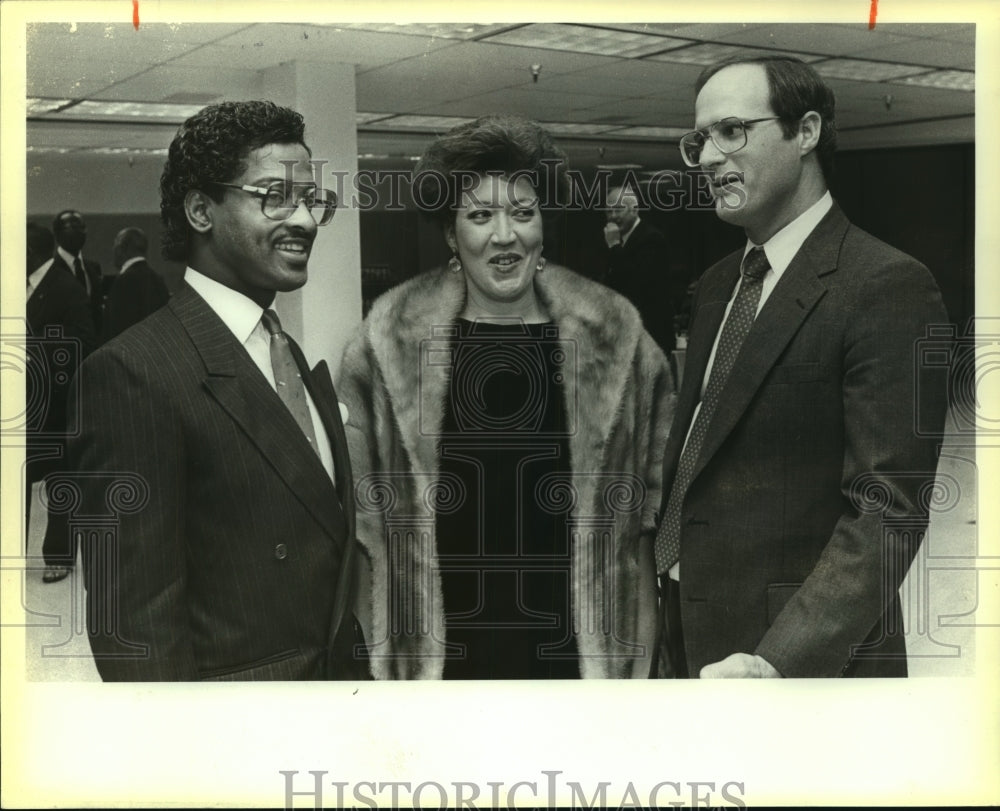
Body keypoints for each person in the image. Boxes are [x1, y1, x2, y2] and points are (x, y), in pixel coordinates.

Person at [338, 115, 675, 679]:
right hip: (441, 668)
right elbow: (363, 544)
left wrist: (635, 683)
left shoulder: (620, 347)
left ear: (543, 226)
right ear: (451, 233)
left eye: (523, 213)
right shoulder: (382, 350)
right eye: (479, 216)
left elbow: (640, 536)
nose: (504, 234)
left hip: (576, 663)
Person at [654, 56, 950, 678]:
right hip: (686, 630)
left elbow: (889, 509)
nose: (708, 157)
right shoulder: (716, 287)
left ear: (807, 131)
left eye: (731, 130)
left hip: (795, 660)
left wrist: (776, 662)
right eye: (699, 138)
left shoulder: (885, 284)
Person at [67, 100, 363, 681]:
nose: (303, 220)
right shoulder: (133, 373)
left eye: (311, 200)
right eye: (275, 196)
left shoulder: (283, 350)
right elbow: (136, 635)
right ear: (201, 210)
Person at [25, 221, 96, 582]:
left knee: (60, 483)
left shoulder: (65, 287)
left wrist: (34, 354)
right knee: (15, 482)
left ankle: (60, 557)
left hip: (56, 405)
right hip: (23, 407)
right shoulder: (20, 284)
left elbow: (84, 341)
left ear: (31, 252)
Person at [602, 185, 679, 355]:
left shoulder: (651, 239)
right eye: (608, 211)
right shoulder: (621, 242)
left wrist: (614, 246)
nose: (613, 216)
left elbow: (637, 286)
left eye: (618, 210)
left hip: (651, 336)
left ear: (634, 210)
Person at [102, 226, 170, 340]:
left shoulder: (123, 282)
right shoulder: (158, 281)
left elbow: (115, 330)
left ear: (121, 248)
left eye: (115, 245)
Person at [51, 210, 104, 335]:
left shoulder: (93, 268)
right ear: (58, 234)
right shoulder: (51, 268)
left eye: (82, 227)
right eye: (73, 227)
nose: (80, 232)